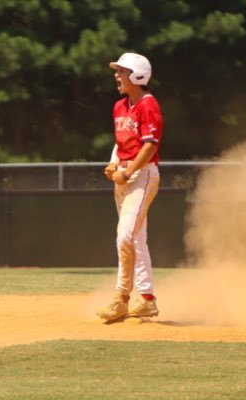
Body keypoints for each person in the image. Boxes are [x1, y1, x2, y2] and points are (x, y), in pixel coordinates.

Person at [97, 52, 163, 322]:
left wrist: (128, 171)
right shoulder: (119, 107)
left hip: (143, 176)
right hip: (124, 176)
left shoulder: (148, 105)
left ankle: (122, 297)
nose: (117, 76)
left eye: (122, 71)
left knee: (125, 235)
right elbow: (121, 142)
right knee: (135, 239)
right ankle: (145, 299)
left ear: (138, 76)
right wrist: (114, 164)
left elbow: (150, 146)